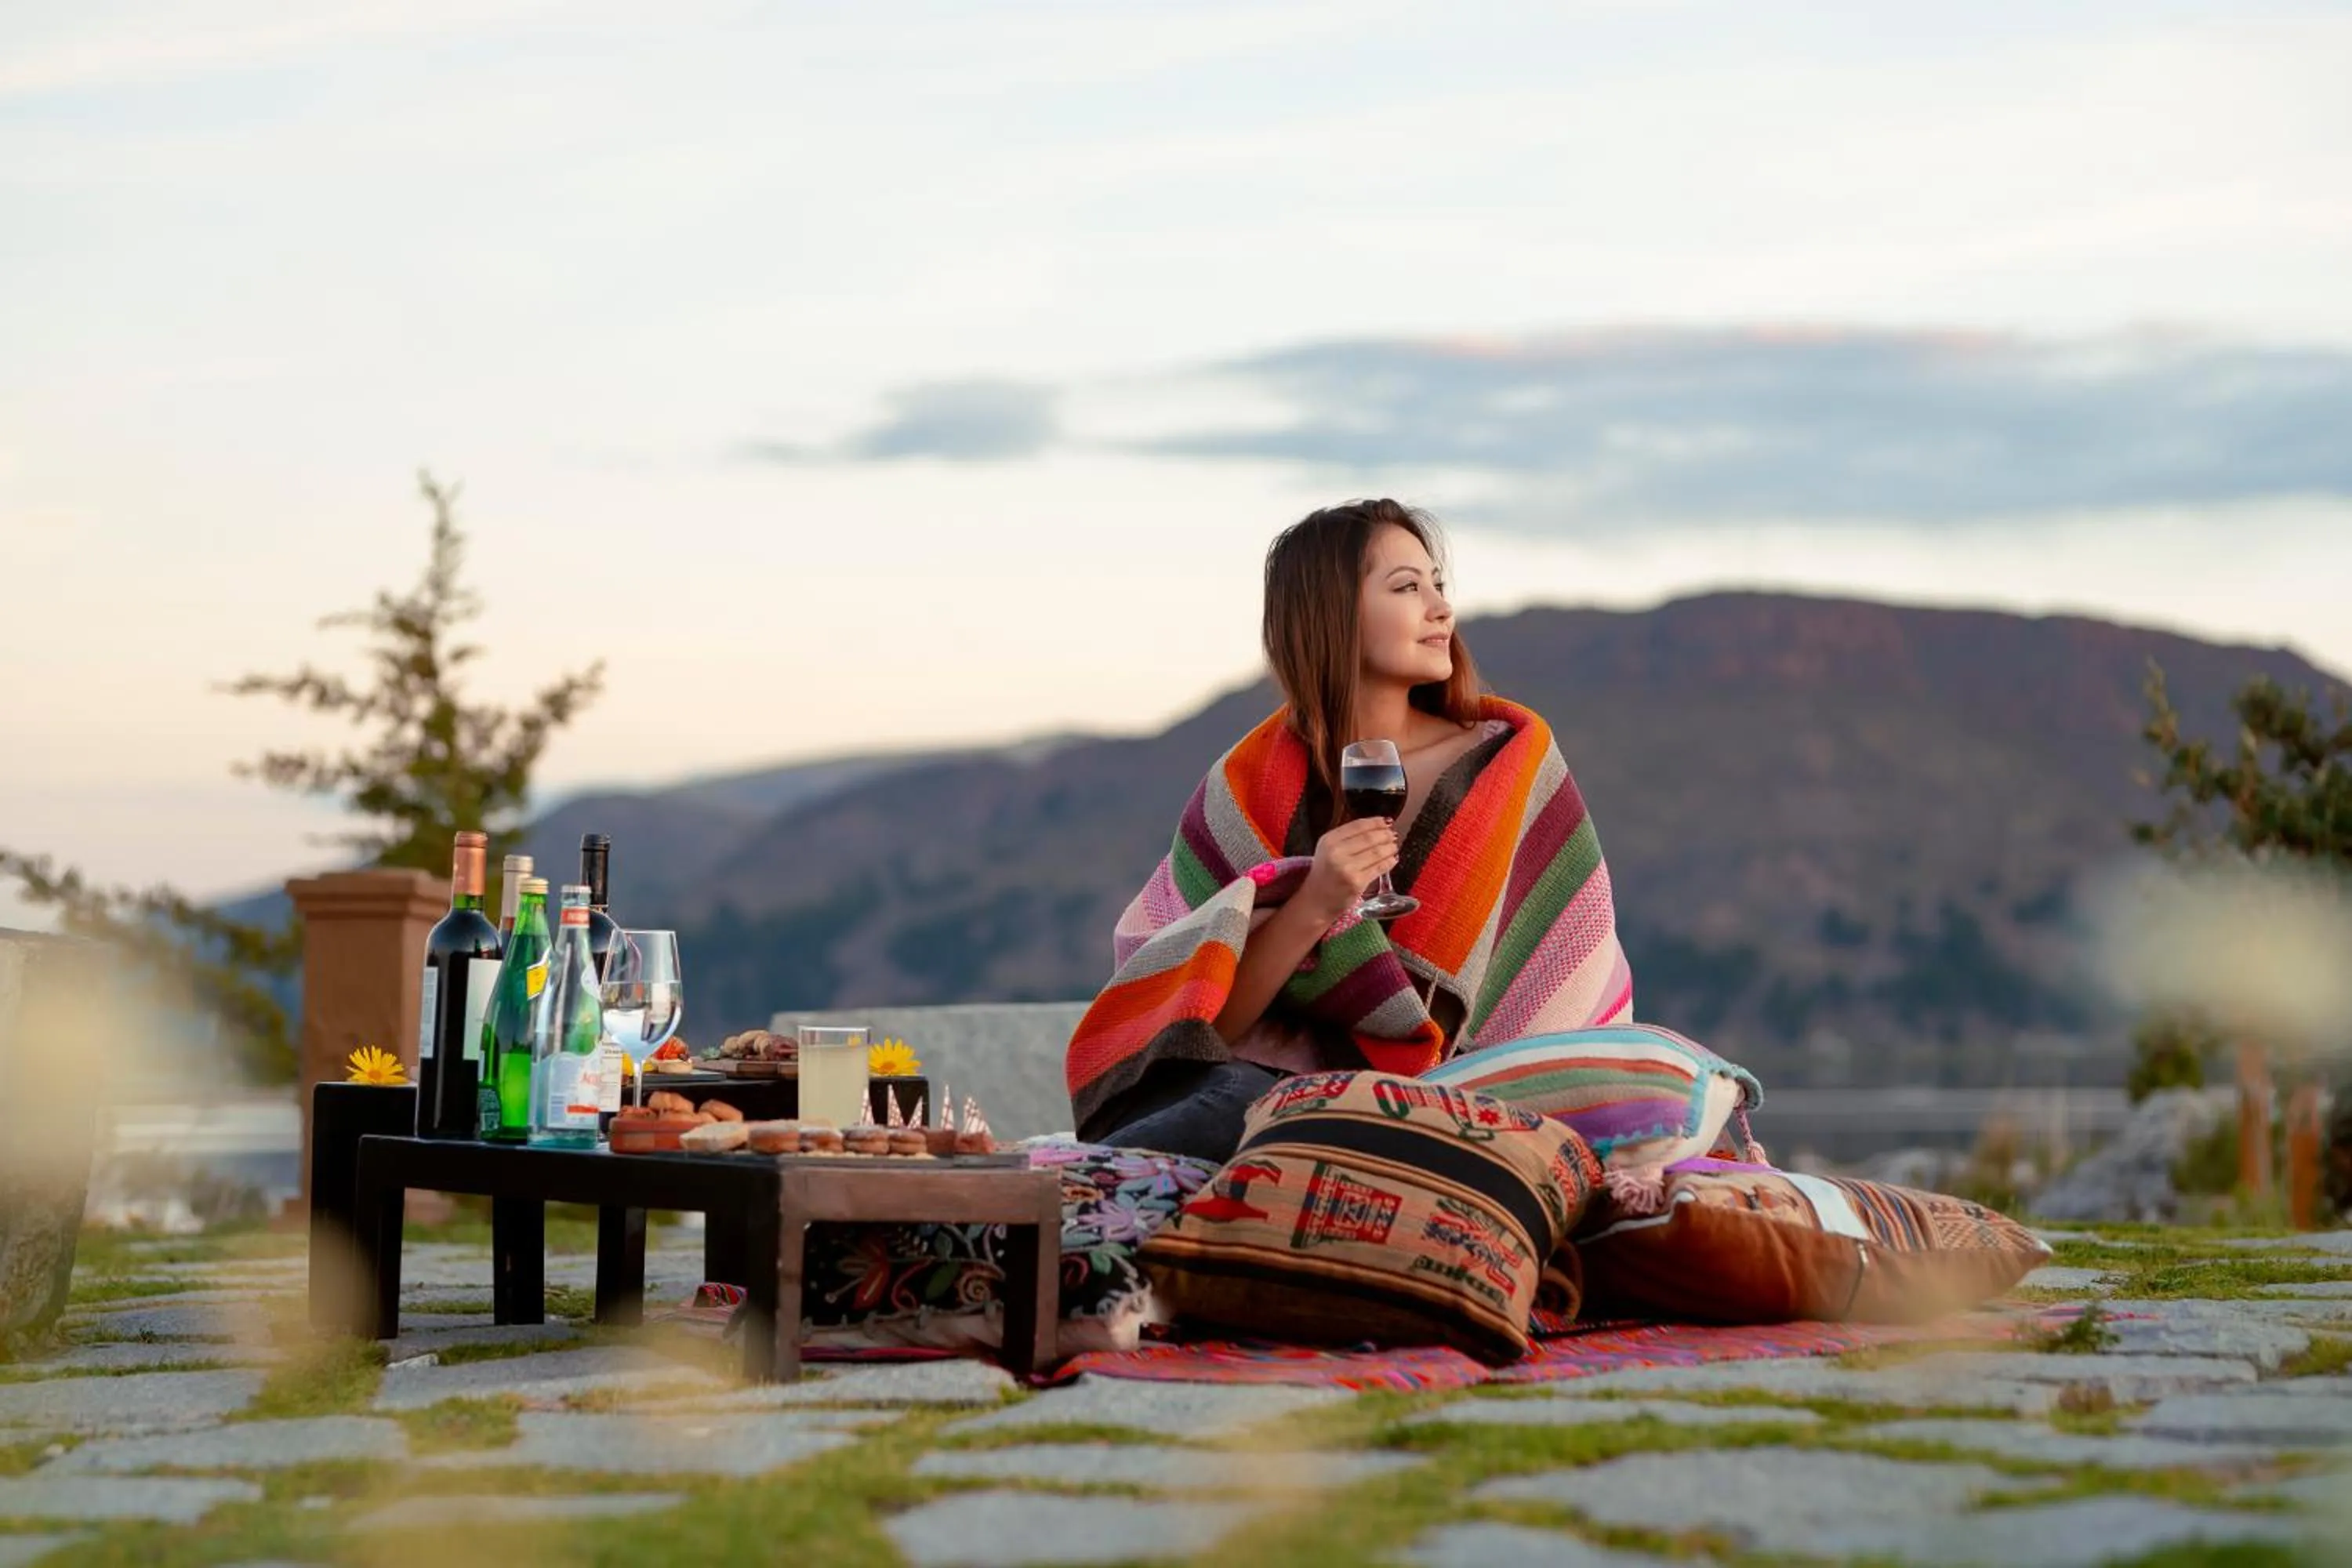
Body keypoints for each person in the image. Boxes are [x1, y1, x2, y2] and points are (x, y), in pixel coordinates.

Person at [1065, 498, 1635, 1160]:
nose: (1441, 609)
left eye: (1437, 586)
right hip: (1262, 1093)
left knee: (1260, 1118)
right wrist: (1315, 904)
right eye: (1406, 588)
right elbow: (1206, 1030)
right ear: (1333, 612)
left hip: (1449, 1102)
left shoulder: (1510, 766)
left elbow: (1542, 997)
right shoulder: (1250, 788)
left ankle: (1076, 1185)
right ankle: (1063, 1192)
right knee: (1236, 1107)